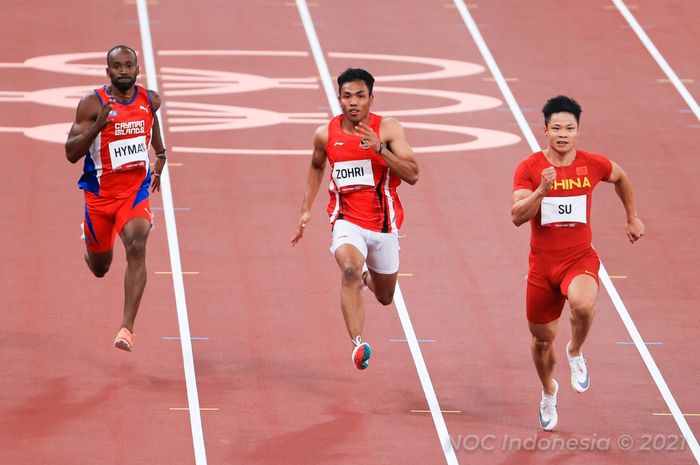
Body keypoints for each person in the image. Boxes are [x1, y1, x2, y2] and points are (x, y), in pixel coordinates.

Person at [511, 95, 645, 430]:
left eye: (569, 128)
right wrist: (541, 190)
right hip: (542, 267)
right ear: (545, 130)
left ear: (578, 132)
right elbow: (516, 216)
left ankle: (575, 350)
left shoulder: (592, 164)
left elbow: (621, 177)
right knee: (542, 342)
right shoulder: (529, 168)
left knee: (584, 306)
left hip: (578, 258)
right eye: (556, 127)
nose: (563, 134)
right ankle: (548, 390)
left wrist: (632, 217)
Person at [291, 68, 419, 370]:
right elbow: (316, 165)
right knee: (348, 268)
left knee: (386, 296)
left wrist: (379, 150)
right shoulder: (325, 135)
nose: (353, 102)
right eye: (347, 96)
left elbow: (413, 174)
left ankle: (366, 279)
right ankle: (358, 344)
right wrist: (306, 208)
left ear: (371, 99)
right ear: (339, 99)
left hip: (385, 226)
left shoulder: (387, 130)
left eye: (360, 96)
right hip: (347, 221)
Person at [65, 45, 166, 352]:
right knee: (100, 267)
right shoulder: (91, 104)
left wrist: (160, 154)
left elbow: (152, 121)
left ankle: (127, 329)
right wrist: (97, 127)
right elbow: (70, 153)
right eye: (117, 67)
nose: (124, 71)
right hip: (99, 197)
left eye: (129, 65)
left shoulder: (150, 99)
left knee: (137, 245)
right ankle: (91, 242)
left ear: (137, 70)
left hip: (134, 192)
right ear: (107, 72)